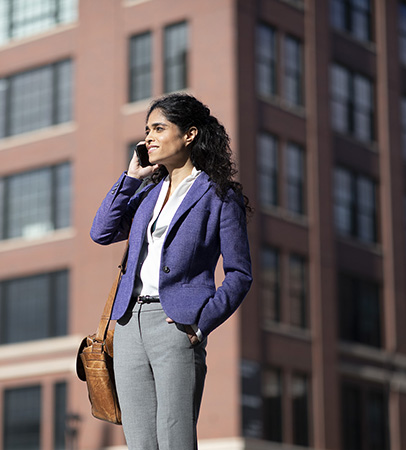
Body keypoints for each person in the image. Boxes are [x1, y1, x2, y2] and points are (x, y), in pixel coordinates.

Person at [90, 93, 253, 450]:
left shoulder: (219, 195)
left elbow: (240, 273)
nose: (148, 137)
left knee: (175, 438)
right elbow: (101, 232)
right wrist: (132, 176)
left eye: (159, 128)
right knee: (140, 442)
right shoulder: (146, 194)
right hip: (129, 323)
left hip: (176, 323)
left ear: (189, 134)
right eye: (147, 129)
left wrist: (201, 321)